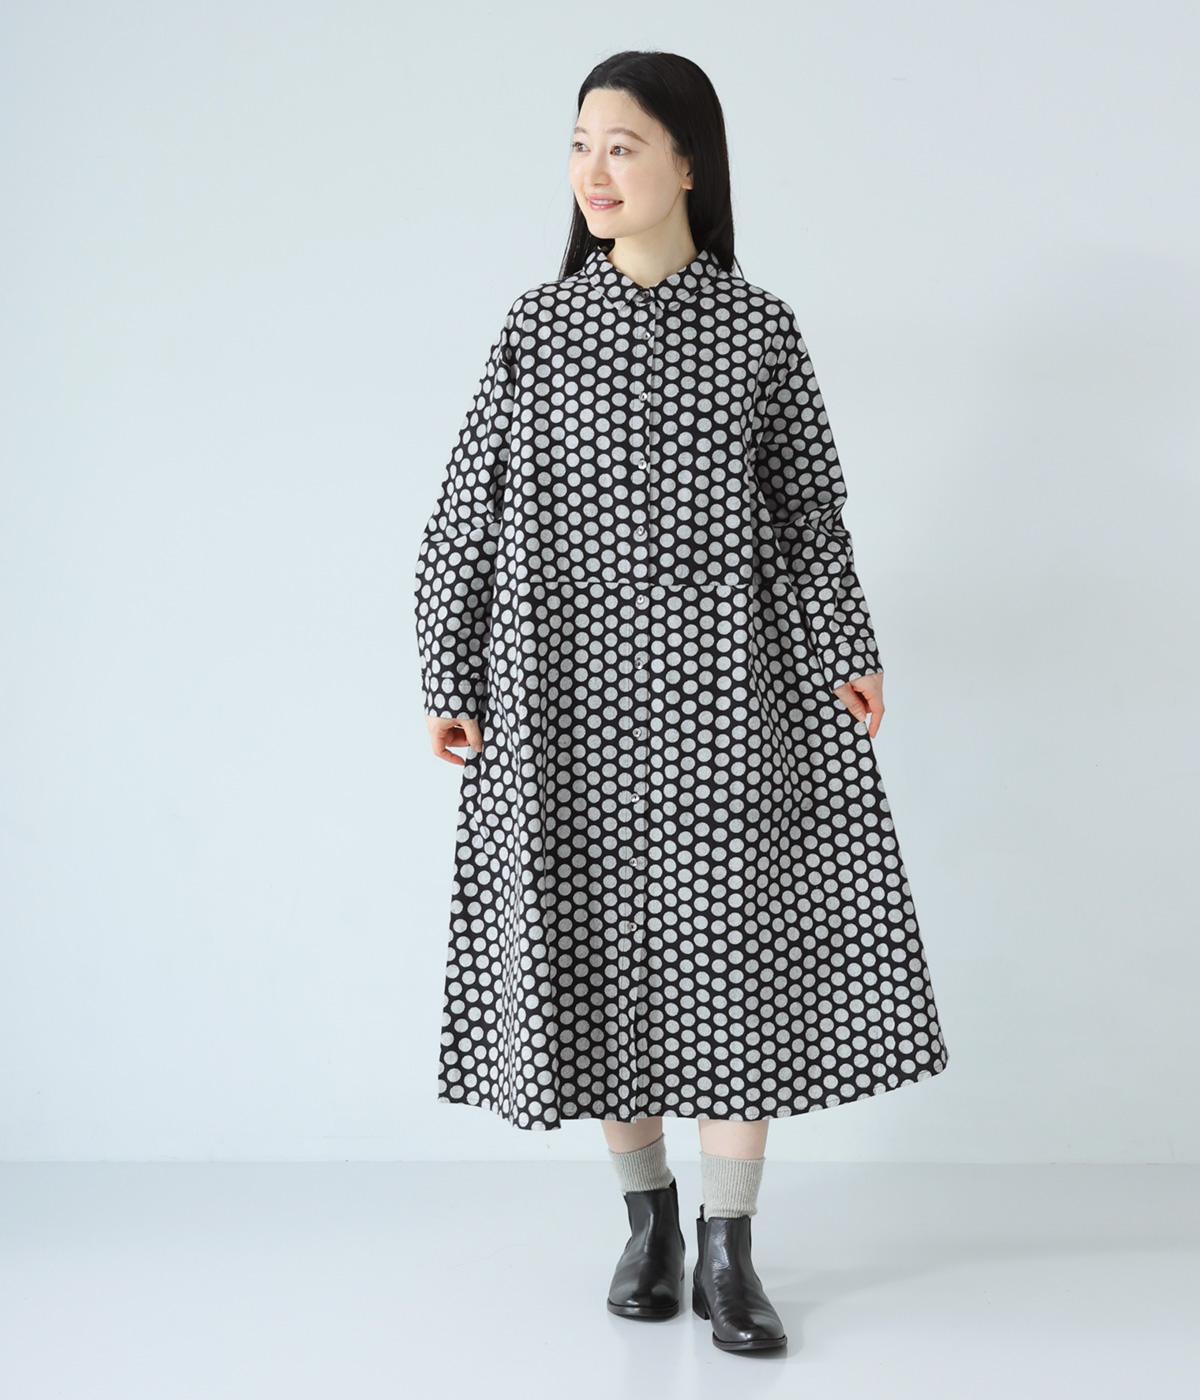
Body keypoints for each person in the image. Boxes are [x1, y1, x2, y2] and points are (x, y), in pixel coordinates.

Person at [413, 50, 950, 1355]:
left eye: (623, 145)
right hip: (565, 692)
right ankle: (646, 1219)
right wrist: (449, 666)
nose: (594, 172)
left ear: (689, 161)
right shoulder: (537, 330)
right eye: (580, 145)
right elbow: (465, 507)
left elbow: (810, 512)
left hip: (727, 692)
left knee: (730, 950)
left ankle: (729, 1245)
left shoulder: (760, 331)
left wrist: (849, 645)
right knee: (598, 942)